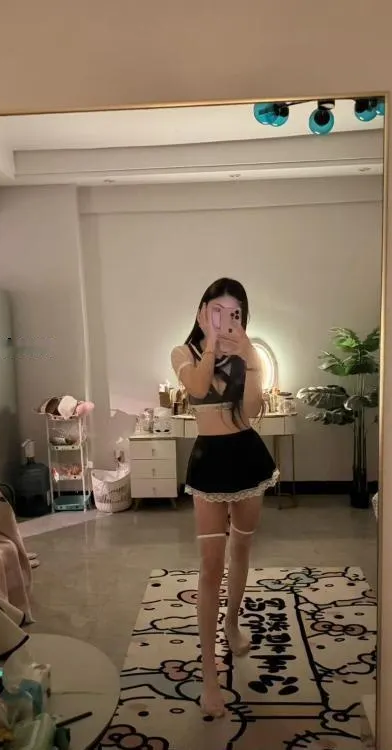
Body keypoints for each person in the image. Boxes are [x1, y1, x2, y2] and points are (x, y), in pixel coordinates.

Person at [171, 278, 279, 718]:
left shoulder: (249, 355)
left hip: (247, 455)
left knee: (242, 548)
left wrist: (250, 356)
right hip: (209, 461)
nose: (225, 319)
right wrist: (213, 344)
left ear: (243, 317)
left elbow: (250, 411)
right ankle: (209, 676)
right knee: (210, 565)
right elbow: (198, 389)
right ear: (202, 312)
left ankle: (232, 622)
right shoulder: (184, 353)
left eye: (234, 312)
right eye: (217, 310)